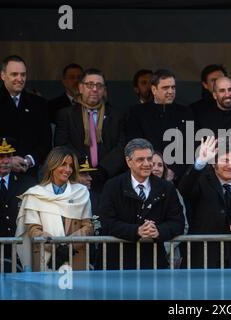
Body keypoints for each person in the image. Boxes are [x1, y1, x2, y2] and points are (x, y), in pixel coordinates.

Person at [98, 138, 185, 269]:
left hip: (153, 263)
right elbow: (107, 222)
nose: (147, 164)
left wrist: (159, 231)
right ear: (128, 161)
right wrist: (136, 231)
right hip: (117, 264)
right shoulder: (113, 186)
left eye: (149, 159)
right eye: (140, 159)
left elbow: (178, 222)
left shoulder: (167, 188)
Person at [179, 136, 231, 268]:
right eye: (225, 160)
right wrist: (200, 162)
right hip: (204, 259)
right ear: (213, 164)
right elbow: (185, 189)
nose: (230, 165)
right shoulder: (201, 182)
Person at [15, 147, 93, 271]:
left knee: (76, 290)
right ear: (52, 165)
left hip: (75, 257)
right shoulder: (35, 194)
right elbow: (33, 229)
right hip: (44, 258)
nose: (68, 169)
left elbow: (88, 226)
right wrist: (55, 247)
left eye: (71, 166)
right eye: (63, 164)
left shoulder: (81, 192)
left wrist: (68, 247)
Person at [55, 68, 126, 192]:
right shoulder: (66, 114)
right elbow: (62, 144)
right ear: (80, 87)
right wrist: (82, 168)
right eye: (90, 85)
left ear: (104, 90)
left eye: (99, 85)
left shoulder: (117, 115)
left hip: (110, 178)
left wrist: (103, 170)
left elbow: (122, 145)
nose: (94, 89)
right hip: (76, 177)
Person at [125, 69, 194, 183]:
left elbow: (190, 146)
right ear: (154, 89)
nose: (171, 91)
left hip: (178, 179)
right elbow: (134, 144)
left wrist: (174, 171)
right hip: (146, 175)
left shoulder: (186, 113)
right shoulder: (137, 113)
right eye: (165, 88)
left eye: (173, 87)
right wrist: (151, 168)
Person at [0, 55, 51, 176]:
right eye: (14, 74)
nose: (20, 78)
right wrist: (7, 161)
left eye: (23, 74)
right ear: (3, 76)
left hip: (28, 174)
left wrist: (29, 160)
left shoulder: (39, 104)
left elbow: (46, 142)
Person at [0, 137, 36, 272]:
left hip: (20, 253)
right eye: (0, 156)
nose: (5, 161)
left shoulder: (28, 184)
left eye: (9, 156)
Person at [152, 151, 188, 268]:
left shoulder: (173, 192)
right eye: (152, 164)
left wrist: (161, 250)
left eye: (160, 165)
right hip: (138, 257)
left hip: (168, 259)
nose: (156, 168)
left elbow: (183, 226)